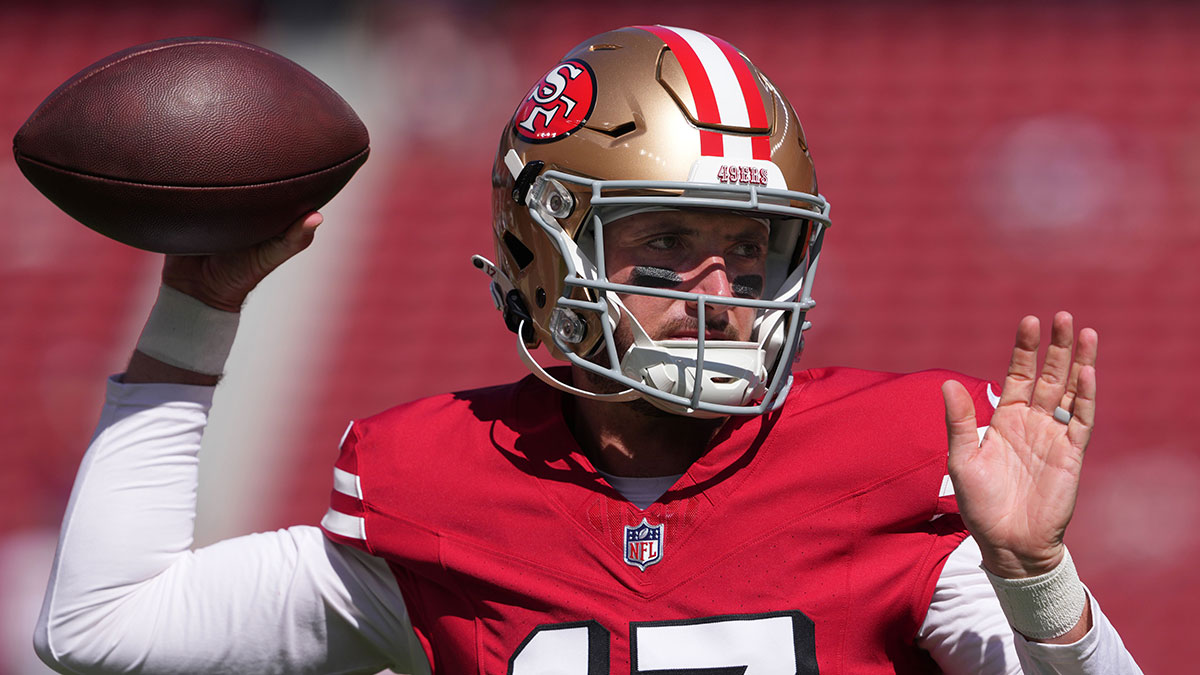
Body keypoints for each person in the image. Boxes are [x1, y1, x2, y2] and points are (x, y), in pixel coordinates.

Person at [34, 25, 1141, 674]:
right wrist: (195, 308)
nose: (722, 294)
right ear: (542, 251)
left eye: (751, 254)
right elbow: (101, 630)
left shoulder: (908, 456)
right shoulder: (438, 479)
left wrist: (1035, 577)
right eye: (665, 245)